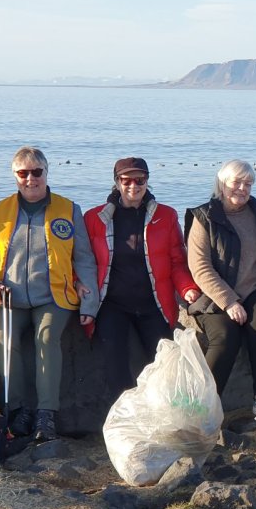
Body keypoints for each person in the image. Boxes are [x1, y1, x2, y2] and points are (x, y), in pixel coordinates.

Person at [0, 146, 99, 442]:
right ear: (15, 176)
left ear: (47, 173)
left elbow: (83, 257)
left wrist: (90, 302)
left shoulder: (69, 209)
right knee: (3, 340)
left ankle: (46, 415)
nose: (30, 179)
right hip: (8, 299)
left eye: (36, 172)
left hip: (53, 297)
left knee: (46, 338)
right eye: (23, 173)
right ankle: (20, 411)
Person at [85, 157, 201, 404]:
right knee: (114, 358)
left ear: (147, 181)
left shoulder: (166, 216)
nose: (133, 186)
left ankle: (163, 414)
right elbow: (83, 262)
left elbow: (177, 262)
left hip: (153, 303)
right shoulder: (94, 218)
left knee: (163, 360)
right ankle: (129, 414)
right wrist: (82, 295)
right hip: (112, 304)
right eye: (126, 180)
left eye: (140, 180)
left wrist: (188, 288)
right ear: (117, 182)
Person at [186, 159, 256, 415]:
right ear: (222, 184)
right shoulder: (205, 217)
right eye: (236, 182)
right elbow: (200, 267)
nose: (242, 188)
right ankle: (205, 406)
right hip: (216, 293)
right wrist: (229, 301)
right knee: (226, 338)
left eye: (247, 183)